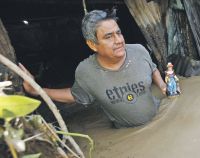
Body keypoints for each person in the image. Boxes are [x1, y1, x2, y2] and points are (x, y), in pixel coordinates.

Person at [19, 9, 167, 128]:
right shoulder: (86, 71)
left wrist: (162, 85)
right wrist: (37, 90)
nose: (118, 40)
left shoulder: (139, 51)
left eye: (118, 33)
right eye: (109, 37)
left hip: (159, 117)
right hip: (124, 130)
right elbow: (74, 96)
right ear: (92, 45)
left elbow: (152, 68)